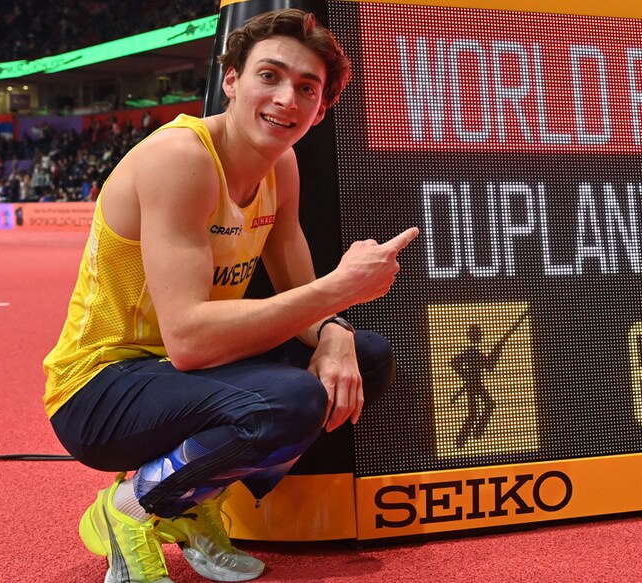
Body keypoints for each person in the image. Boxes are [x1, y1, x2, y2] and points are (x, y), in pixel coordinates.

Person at [42, 9, 418, 583]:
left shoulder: (281, 167)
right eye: (270, 75)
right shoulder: (182, 159)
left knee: (365, 357)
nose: (287, 98)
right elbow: (189, 340)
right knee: (290, 398)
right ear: (232, 81)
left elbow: (302, 300)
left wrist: (337, 331)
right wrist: (337, 289)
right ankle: (130, 509)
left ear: (321, 110)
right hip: (99, 386)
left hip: (177, 373)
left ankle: (190, 505)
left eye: (307, 88)